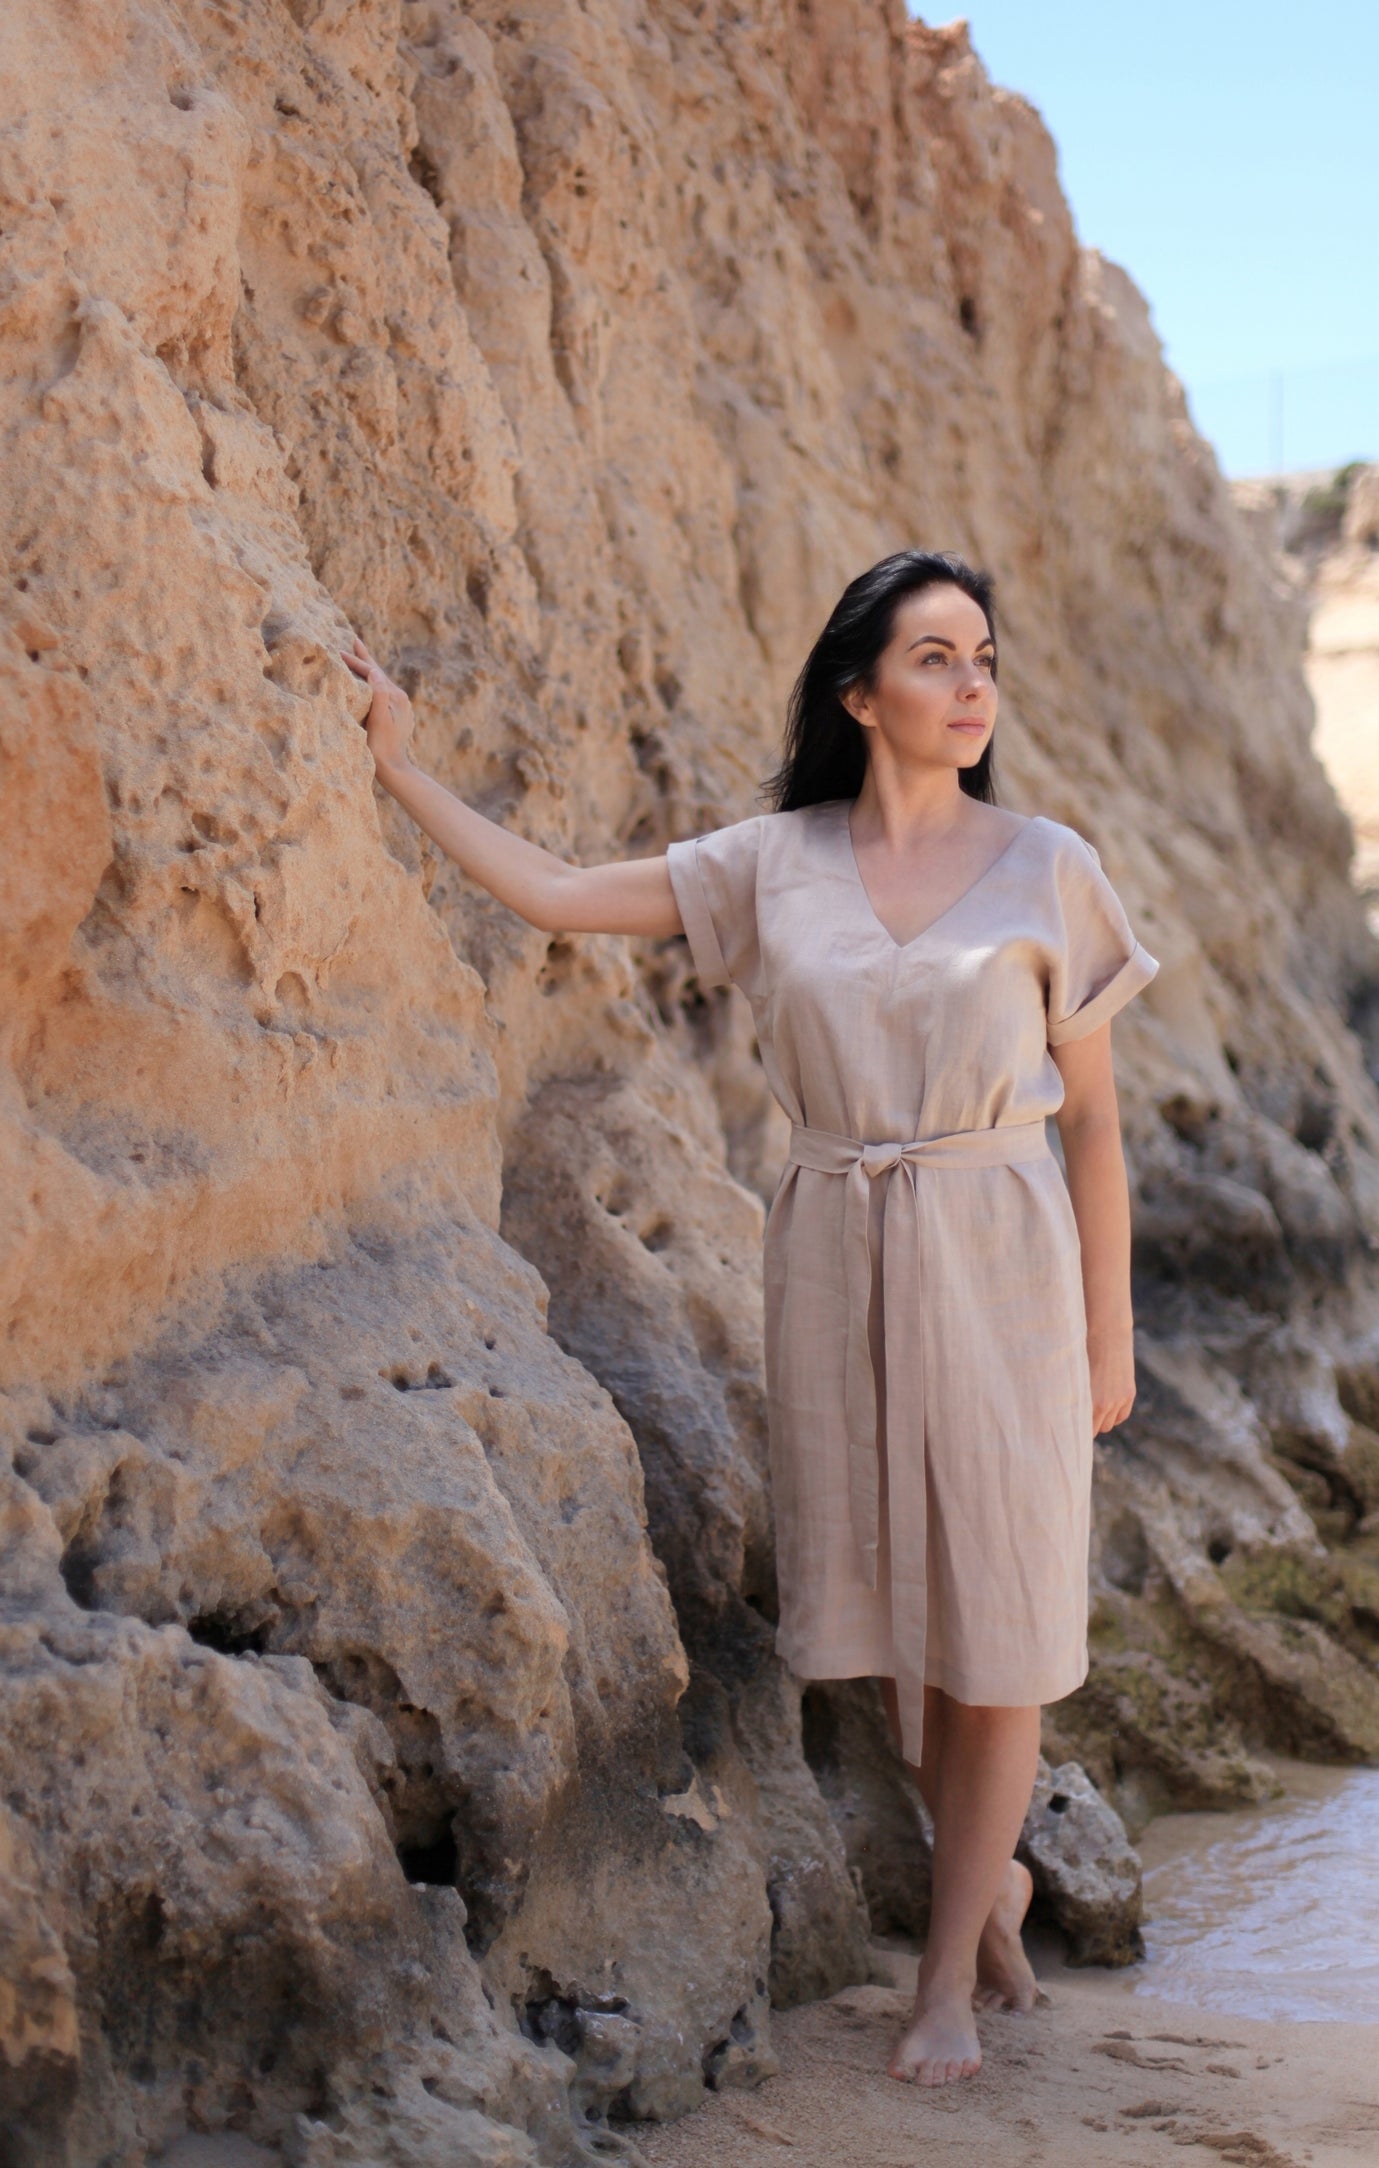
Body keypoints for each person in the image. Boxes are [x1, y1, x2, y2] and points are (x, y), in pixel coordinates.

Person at [343, 548, 1158, 2088]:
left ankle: (943, 1982)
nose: (971, 685)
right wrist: (400, 770)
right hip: (835, 1256)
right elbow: (558, 892)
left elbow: (1098, 1123)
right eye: (934, 658)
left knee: (995, 1634)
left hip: (1001, 1261)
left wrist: (1108, 1335)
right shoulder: (769, 865)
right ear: (857, 693)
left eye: (983, 658)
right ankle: (992, 1884)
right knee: (889, 1643)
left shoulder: (1047, 864)